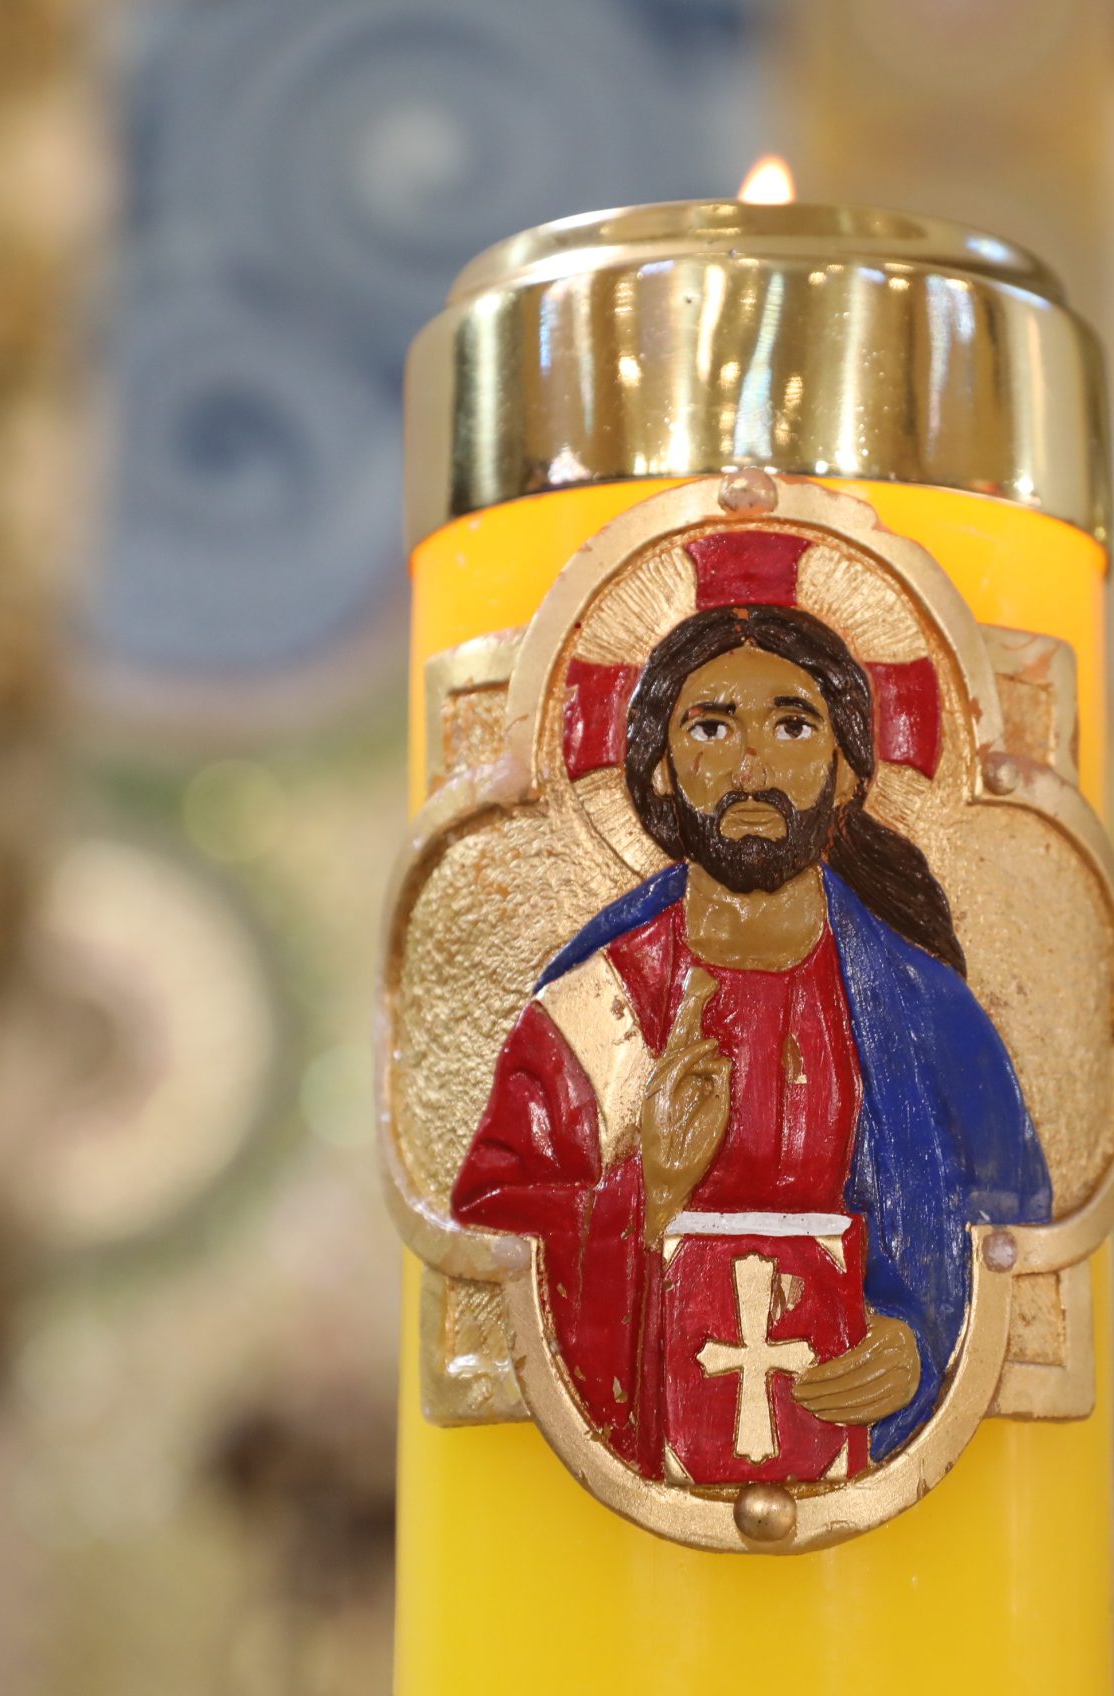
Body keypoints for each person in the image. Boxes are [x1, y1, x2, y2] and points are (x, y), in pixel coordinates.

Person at [451, 537, 1052, 1482]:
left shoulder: (930, 1018)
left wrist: (925, 1347)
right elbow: (489, 1249)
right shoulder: (588, 1016)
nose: (751, 764)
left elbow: (1015, 1241)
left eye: (794, 725)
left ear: (848, 771)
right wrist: (647, 1193)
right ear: (659, 772)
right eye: (710, 727)